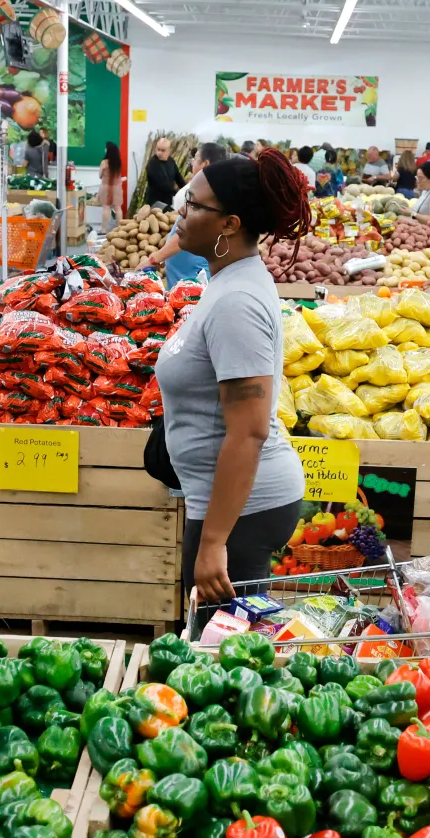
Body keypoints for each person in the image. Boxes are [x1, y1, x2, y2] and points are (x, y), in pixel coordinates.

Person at [156, 149, 308, 600]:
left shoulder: (236, 301)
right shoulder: (224, 280)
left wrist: (214, 542)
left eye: (195, 205)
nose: (181, 213)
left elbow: (250, 432)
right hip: (227, 505)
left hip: (244, 512)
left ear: (230, 224)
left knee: (220, 656)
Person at [147, 143, 226, 288]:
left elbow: (189, 230)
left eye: (195, 159)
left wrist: (155, 258)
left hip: (193, 278)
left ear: (205, 164)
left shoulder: (201, 193)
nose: (192, 163)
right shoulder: (213, 191)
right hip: (186, 276)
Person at [144, 138, 184, 208]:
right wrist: (178, 193)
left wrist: (185, 189)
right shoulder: (152, 163)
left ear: (169, 151)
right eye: (158, 149)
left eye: (163, 150)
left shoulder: (171, 161)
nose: (159, 153)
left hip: (168, 201)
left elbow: (178, 176)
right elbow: (162, 185)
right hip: (155, 203)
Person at [99, 142, 124, 227]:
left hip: (106, 187)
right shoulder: (118, 162)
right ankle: (119, 229)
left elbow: (100, 175)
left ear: (108, 150)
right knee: (118, 208)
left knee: (106, 208)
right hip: (117, 188)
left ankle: (103, 230)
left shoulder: (104, 162)